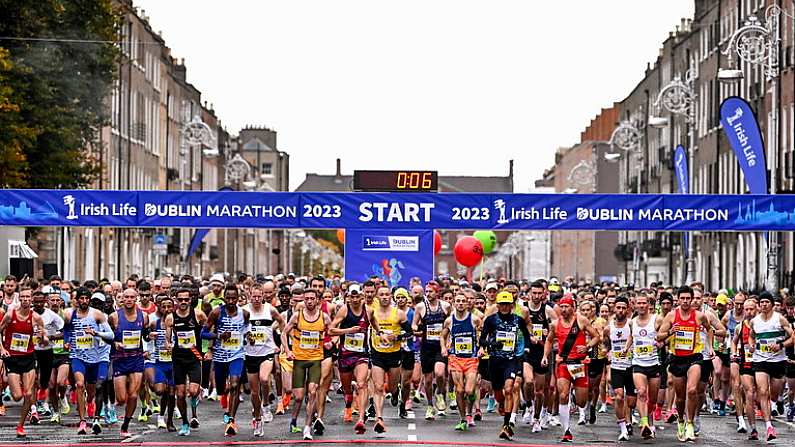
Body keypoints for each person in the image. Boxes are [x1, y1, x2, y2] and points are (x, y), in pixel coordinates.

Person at [656, 285, 713, 442]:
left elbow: (709, 329)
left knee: (692, 390)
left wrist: (710, 346)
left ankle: (690, 423)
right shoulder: (671, 316)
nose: (686, 301)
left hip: (695, 356)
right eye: (683, 298)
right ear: (678, 300)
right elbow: (659, 337)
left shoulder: (699, 316)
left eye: (689, 298)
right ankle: (681, 420)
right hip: (677, 358)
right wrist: (670, 332)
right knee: (680, 398)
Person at [543, 293, 601, 443]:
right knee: (562, 395)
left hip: (579, 364)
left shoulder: (581, 320)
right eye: (561, 306)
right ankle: (566, 430)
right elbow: (549, 341)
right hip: (563, 364)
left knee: (582, 402)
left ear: (572, 307)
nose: (563, 309)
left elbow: (596, 337)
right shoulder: (555, 324)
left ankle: (577, 400)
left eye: (566, 306)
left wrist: (587, 347)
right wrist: (545, 356)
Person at [281, 288, 331, 440]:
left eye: (312, 298)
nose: (309, 301)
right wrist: (288, 351)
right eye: (306, 298)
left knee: (313, 391)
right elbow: (284, 333)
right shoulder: (297, 316)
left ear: (317, 300)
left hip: (316, 359)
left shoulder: (325, 317)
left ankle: (307, 428)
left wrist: (331, 342)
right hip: (299, 361)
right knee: (298, 397)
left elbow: (332, 332)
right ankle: (294, 420)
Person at [480, 291, 530, 440]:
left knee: (509, 389)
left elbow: (526, 337)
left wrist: (526, 348)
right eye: (501, 304)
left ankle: (506, 425)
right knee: (498, 394)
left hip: (511, 360)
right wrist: (491, 343)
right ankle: (501, 404)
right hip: (495, 360)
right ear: (497, 305)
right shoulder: (490, 320)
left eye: (507, 304)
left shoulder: (518, 320)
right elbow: (482, 340)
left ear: (512, 305)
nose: (504, 307)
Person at [64, 287, 114, 435]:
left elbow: (110, 336)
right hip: (78, 356)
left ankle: (94, 411)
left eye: (87, 299)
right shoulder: (69, 314)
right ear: (77, 300)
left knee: (95, 389)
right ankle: (82, 421)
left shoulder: (97, 315)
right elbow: (66, 329)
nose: (84, 301)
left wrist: (96, 333)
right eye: (81, 298)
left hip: (98, 358)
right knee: (79, 385)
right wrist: (66, 341)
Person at [202, 283, 250, 436]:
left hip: (237, 355)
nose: (230, 301)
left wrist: (249, 337)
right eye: (228, 298)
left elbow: (247, 330)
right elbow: (203, 333)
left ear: (238, 298)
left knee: (235, 384)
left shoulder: (245, 314)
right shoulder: (216, 313)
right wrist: (218, 336)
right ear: (224, 298)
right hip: (220, 356)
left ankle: (231, 419)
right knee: (222, 389)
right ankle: (225, 397)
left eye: (233, 298)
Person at [0, 287, 47, 437]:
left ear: (31, 299)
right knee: (17, 396)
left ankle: (20, 426)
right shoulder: (10, 315)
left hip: (28, 358)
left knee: (28, 394)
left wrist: (42, 338)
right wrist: (1, 348)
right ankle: (17, 383)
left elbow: (44, 339)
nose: (26, 299)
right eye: (23, 297)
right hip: (13, 358)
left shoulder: (36, 318)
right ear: (19, 298)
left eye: (28, 297)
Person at [749, 291, 795, 442]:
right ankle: (769, 426)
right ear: (759, 304)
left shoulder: (779, 319)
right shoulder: (755, 321)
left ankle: (773, 404)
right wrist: (751, 345)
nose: (764, 304)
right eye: (761, 302)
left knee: (773, 395)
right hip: (760, 360)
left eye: (766, 302)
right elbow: (751, 335)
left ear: (771, 304)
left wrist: (781, 344)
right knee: (763, 391)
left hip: (777, 361)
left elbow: (793, 336)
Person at [329, 284, 372, 433]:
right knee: (347, 388)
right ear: (348, 297)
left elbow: (377, 328)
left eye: (357, 296)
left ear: (362, 296)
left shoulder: (369, 311)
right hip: (345, 355)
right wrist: (348, 330)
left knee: (361, 384)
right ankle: (348, 403)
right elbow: (331, 329)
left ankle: (361, 418)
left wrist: (384, 336)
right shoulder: (344, 310)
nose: (354, 299)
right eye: (351, 296)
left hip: (361, 354)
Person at [164, 287, 207, 436]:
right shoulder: (170, 318)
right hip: (178, 359)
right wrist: (168, 345)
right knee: (180, 395)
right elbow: (167, 340)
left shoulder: (198, 314)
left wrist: (209, 348)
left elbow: (208, 329)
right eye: (180, 299)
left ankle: (196, 395)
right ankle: (185, 423)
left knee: (193, 391)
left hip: (194, 357)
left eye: (186, 299)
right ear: (175, 300)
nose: (183, 302)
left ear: (191, 300)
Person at [243, 282, 285, 435]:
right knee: (254, 392)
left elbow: (281, 321)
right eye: (253, 296)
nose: (256, 299)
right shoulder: (245, 311)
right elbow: (239, 327)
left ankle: (266, 404)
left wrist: (280, 337)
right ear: (249, 296)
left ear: (263, 297)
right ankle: (258, 419)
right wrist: (247, 336)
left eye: (259, 296)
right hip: (250, 354)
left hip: (266, 352)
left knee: (265, 379)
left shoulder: (270, 309)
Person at [369, 285, 411, 435]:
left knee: (392, 387)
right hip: (377, 354)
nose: (385, 297)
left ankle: (395, 393)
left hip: (394, 354)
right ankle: (379, 418)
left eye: (387, 294)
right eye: (382, 294)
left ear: (391, 297)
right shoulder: (371, 313)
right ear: (377, 297)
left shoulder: (399, 314)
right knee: (379, 387)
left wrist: (397, 337)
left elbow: (410, 332)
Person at [109, 288, 150, 438]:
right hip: (120, 360)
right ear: (121, 299)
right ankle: (112, 407)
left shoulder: (144, 316)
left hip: (136, 359)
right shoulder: (114, 317)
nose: (128, 299)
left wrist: (149, 336)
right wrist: (115, 343)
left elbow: (145, 336)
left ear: (136, 298)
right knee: (121, 399)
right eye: (126, 297)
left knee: (133, 395)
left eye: (132, 297)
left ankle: (125, 426)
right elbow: (107, 337)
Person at [440, 292, 482, 431]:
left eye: (463, 301)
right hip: (455, 358)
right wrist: (444, 348)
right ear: (453, 303)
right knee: (459, 390)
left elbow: (483, 335)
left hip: (471, 359)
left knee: (469, 390)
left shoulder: (475, 319)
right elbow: (443, 335)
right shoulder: (449, 320)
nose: (460, 303)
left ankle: (471, 406)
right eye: (458, 301)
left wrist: (482, 348)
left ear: (467, 303)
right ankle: (463, 418)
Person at [626, 292, 663, 439]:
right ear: (634, 305)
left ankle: (650, 421)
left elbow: (663, 335)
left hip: (653, 363)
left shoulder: (656, 319)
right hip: (638, 363)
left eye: (644, 303)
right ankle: (644, 423)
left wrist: (661, 342)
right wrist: (626, 347)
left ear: (649, 305)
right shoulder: (632, 322)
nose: (641, 306)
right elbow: (631, 335)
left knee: (652, 399)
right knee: (641, 392)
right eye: (638, 303)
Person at [412, 283, 451, 420]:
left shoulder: (445, 306)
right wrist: (415, 327)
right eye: (426, 291)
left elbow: (450, 323)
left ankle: (440, 393)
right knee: (428, 380)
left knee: (440, 374)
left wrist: (449, 341)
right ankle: (430, 406)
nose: (428, 294)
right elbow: (414, 324)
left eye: (431, 292)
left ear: (437, 292)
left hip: (440, 346)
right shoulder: (421, 307)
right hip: (426, 347)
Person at [523, 281, 555, 432]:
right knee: (528, 382)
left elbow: (559, 330)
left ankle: (537, 417)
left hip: (542, 352)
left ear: (544, 294)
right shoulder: (522, 309)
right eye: (533, 293)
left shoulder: (548, 310)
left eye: (539, 293)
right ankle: (528, 406)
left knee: (541, 390)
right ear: (529, 293)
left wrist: (549, 334)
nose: (536, 296)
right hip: (526, 351)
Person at [604, 296, 635, 441]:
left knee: (631, 401)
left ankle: (629, 419)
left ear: (628, 309)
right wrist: (606, 353)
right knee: (618, 396)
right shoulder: (608, 328)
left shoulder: (631, 324)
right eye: (618, 307)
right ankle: (623, 427)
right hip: (616, 366)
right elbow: (605, 345)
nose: (621, 310)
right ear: (614, 309)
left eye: (624, 308)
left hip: (632, 366)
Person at [730, 297, 760, 440]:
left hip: (761, 362)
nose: (748, 312)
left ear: (757, 309)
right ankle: (744, 421)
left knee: (761, 394)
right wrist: (734, 353)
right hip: (744, 362)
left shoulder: (763, 325)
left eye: (751, 309)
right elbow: (734, 342)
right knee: (743, 389)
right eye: (746, 309)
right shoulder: (740, 326)